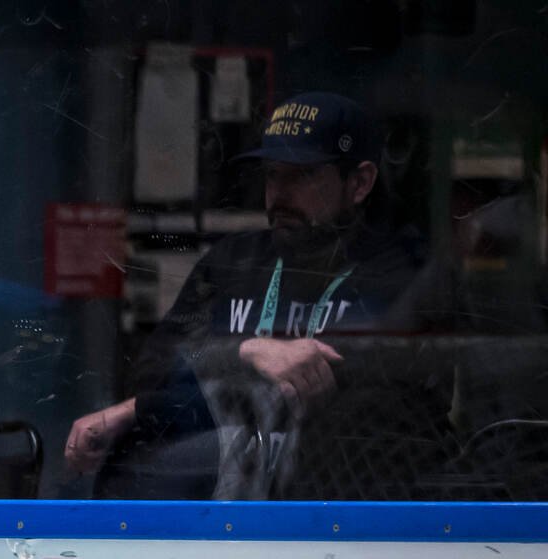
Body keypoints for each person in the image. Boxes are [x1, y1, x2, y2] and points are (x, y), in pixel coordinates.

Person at [66, 93, 449, 499]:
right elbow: (155, 367)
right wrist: (242, 352)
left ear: (359, 183)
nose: (278, 195)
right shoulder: (234, 262)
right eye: (271, 175)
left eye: (301, 176)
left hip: (345, 506)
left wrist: (212, 373)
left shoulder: (400, 271)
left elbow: (375, 382)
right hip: (228, 506)